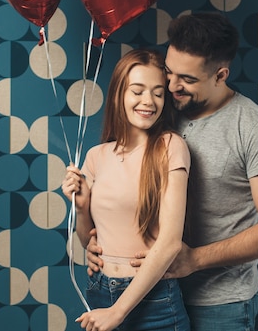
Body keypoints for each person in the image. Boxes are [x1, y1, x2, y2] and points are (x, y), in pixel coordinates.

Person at [85, 13, 258, 330]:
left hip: (220, 304)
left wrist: (194, 259)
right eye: (169, 72)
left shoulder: (256, 130)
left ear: (220, 75)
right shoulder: (162, 112)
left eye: (187, 79)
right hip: (152, 294)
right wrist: (98, 243)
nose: (171, 86)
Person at [62, 48, 191, 331]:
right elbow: (89, 242)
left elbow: (170, 243)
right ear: (120, 94)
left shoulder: (170, 147)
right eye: (138, 91)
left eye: (158, 93)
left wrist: (117, 312)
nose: (149, 101)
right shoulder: (96, 155)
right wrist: (82, 207)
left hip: (155, 300)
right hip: (99, 289)